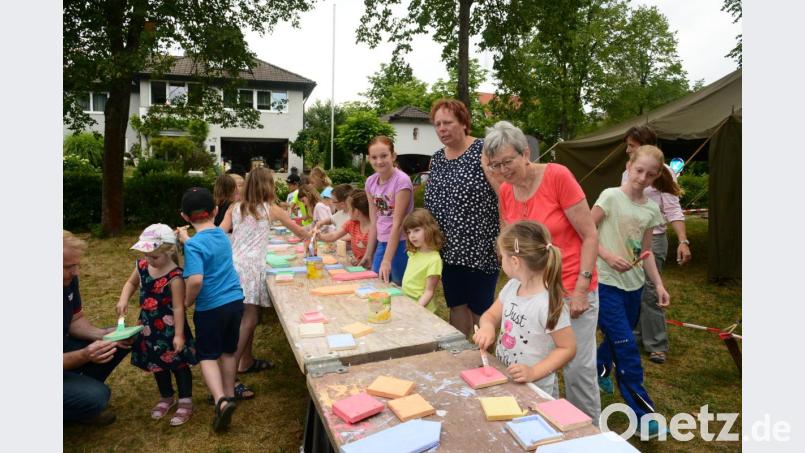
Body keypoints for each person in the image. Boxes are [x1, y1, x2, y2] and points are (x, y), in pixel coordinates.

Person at [482, 120, 601, 423]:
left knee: (577, 370)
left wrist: (581, 290)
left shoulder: (557, 176)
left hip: (572, 288)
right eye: (496, 166)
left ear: (525, 153)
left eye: (508, 161)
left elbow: (589, 235)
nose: (503, 171)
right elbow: (508, 241)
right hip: (533, 292)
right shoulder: (507, 191)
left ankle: (587, 437)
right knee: (535, 360)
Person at [592, 145, 674, 437]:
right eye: (639, 170)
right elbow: (586, 232)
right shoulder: (610, 196)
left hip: (634, 287)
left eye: (650, 175)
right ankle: (643, 416)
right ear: (629, 165)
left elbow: (647, 252)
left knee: (617, 337)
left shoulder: (651, 209)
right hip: (605, 283)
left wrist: (659, 285)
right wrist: (607, 255)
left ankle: (600, 370)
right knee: (627, 346)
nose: (642, 178)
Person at [219, 168, 309, 386]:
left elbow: (220, 232)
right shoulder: (272, 209)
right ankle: (229, 378)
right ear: (268, 186)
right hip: (252, 268)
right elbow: (301, 232)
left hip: (235, 265)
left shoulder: (235, 207)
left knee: (248, 316)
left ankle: (244, 362)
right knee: (249, 319)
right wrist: (317, 235)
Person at [424, 98, 500, 337]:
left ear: (464, 123)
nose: (442, 129)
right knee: (456, 305)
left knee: (481, 309)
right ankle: (459, 358)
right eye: (437, 124)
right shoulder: (437, 158)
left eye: (448, 122)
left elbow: (504, 195)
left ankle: (484, 361)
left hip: (481, 246)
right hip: (447, 248)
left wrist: (505, 234)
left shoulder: (484, 150)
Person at [473, 221, 576, 396]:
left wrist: (533, 372)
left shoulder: (547, 304)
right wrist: (487, 327)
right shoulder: (513, 286)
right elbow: (490, 315)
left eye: (502, 257)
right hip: (504, 377)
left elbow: (567, 348)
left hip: (535, 391)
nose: (501, 262)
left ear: (514, 261)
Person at [176, 187, 244, 432]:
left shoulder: (193, 247)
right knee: (228, 351)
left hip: (211, 308)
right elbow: (204, 243)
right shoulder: (221, 235)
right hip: (235, 302)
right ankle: (230, 394)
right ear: (215, 211)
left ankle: (220, 400)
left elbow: (195, 280)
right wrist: (187, 240)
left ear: (184, 217)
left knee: (207, 355)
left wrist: (187, 301)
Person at [115, 224, 197, 426]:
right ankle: (166, 396)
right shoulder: (142, 266)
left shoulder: (175, 277)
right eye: (146, 255)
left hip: (171, 329)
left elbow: (179, 308)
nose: (149, 260)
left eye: (154, 257)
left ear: (169, 251)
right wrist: (123, 299)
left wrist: (179, 335)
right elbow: (131, 283)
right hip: (148, 327)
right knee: (156, 363)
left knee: (178, 363)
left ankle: (185, 400)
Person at [622, 126, 691, 364]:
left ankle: (657, 344)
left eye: (632, 145)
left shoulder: (665, 173)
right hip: (630, 238)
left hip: (655, 239)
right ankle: (638, 334)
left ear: (645, 145)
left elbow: (673, 209)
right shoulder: (627, 170)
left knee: (651, 292)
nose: (627, 149)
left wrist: (683, 241)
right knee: (633, 289)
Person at [63, 230, 132, 426]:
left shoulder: (68, 280)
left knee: (117, 341)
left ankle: (76, 392)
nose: (76, 272)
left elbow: (75, 320)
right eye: (68, 267)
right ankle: (76, 405)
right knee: (98, 397)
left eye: (76, 265)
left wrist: (103, 334)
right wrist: (85, 355)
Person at [363, 136, 414, 285]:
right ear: (369, 159)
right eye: (374, 157)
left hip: (401, 242)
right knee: (376, 284)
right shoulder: (370, 182)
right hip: (382, 241)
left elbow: (398, 223)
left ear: (393, 156)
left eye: (384, 156)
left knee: (399, 288)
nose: (379, 161)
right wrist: (368, 253)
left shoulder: (402, 181)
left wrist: (387, 260)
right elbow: (374, 221)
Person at [401, 209, 444, 313]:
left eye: (416, 230)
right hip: (407, 303)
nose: (412, 235)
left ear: (429, 229)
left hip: (421, 308)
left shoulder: (434, 260)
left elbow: (429, 291)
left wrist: (417, 308)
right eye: (409, 232)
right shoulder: (413, 253)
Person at [317, 190, 371, 265]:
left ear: (357, 212)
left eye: (349, 209)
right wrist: (319, 236)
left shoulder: (374, 229)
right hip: (358, 266)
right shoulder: (352, 223)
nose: (348, 212)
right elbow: (333, 236)